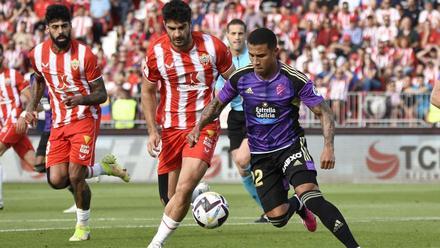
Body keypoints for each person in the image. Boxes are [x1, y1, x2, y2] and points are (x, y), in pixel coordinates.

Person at [187, 28, 361, 248]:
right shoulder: (241, 78)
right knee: (277, 218)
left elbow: (324, 111)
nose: (256, 61)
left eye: (261, 55)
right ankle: (297, 205)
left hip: (290, 146)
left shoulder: (293, 79)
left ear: (275, 52)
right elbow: (216, 105)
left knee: (311, 196)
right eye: (252, 55)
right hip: (260, 154)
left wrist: (328, 146)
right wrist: (197, 127)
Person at [21, 4, 130, 241]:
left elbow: (102, 94)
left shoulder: (84, 55)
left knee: (75, 176)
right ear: (47, 29)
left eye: (64, 26)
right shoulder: (37, 54)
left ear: (71, 26)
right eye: (55, 27)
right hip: (58, 123)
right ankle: (104, 168)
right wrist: (31, 108)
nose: (61, 31)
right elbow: (38, 81)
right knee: (56, 180)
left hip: (84, 119)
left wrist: (81, 99)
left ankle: (83, 227)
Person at [141, 1, 235, 247]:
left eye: (182, 27)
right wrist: (152, 131)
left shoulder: (213, 47)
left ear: (190, 25)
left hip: (203, 126)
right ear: (164, 26)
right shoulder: (156, 52)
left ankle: (156, 244)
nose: (177, 34)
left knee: (181, 191)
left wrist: (217, 108)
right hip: (170, 129)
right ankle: (198, 192)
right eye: (171, 28)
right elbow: (148, 91)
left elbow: (235, 82)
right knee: (169, 198)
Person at [0, 44, 36, 210]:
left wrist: (27, 113)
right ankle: (83, 172)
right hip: (4, 126)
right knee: (37, 163)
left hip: (15, 121)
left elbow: (29, 96)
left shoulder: (13, 75)